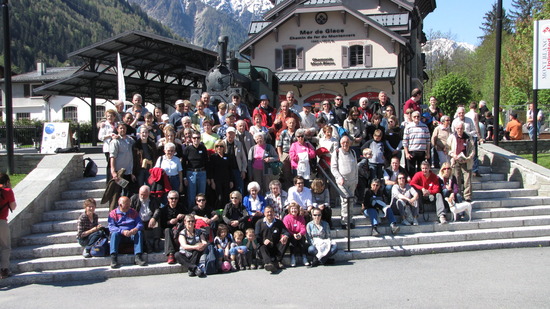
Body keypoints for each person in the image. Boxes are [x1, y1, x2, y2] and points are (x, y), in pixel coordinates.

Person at [108, 196, 147, 268]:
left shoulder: (133, 212)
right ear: (120, 205)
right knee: (114, 234)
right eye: (126, 205)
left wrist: (134, 229)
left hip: (131, 234)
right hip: (120, 235)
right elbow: (111, 227)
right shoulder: (113, 213)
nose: (129, 206)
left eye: (129, 204)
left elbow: (140, 224)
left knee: (139, 233)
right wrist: (122, 231)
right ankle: (113, 258)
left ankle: (138, 256)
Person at [330, 136, 358, 229]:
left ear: (350, 143)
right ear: (340, 143)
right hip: (342, 181)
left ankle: (350, 220)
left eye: (347, 142)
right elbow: (333, 168)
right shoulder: (336, 153)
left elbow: (355, 167)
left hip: (352, 181)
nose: (345, 144)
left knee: (351, 201)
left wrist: (356, 179)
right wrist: (339, 177)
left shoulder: (353, 152)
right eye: (343, 143)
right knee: (346, 200)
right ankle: (345, 221)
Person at [255, 206, 290, 272]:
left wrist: (285, 236)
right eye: (267, 212)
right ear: (264, 213)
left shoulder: (278, 222)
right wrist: (263, 241)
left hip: (276, 247)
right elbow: (257, 235)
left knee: (286, 240)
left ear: (274, 212)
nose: (269, 213)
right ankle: (268, 263)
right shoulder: (259, 222)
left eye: (271, 211)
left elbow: (286, 232)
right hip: (265, 246)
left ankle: (278, 261)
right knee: (262, 246)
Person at [447, 121, 474, 202]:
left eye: (461, 128)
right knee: (457, 179)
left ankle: (467, 196)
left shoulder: (468, 137)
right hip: (456, 160)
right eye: (458, 128)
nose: (459, 130)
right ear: (455, 129)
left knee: (467, 179)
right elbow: (448, 148)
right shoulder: (452, 137)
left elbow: (472, 149)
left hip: (466, 160)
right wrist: (453, 155)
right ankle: (457, 194)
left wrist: (469, 157)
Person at [130, 186, 161, 253]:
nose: (142, 196)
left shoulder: (153, 200)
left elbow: (157, 210)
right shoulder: (134, 198)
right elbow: (130, 211)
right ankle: (147, 244)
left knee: (157, 221)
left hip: (149, 220)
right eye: (141, 194)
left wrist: (153, 218)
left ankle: (156, 241)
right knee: (139, 226)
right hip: (139, 221)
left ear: (149, 194)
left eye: (145, 195)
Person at [159, 190, 186, 264]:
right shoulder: (164, 209)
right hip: (169, 229)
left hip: (180, 228)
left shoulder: (181, 206)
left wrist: (183, 216)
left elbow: (189, 216)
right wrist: (169, 222)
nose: (174, 200)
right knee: (167, 230)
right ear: (168, 199)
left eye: (176, 198)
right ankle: (170, 254)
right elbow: (162, 224)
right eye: (172, 198)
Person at [110, 122, 136, 201]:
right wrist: (113, 171)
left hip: (128, 172)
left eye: (124, 128)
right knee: (120, 193)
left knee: (128, 192)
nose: (122, 130)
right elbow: (112, 157)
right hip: (120, 173)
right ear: (117, 129)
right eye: (120, 128)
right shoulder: (115, 142)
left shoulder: (130, 140)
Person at [182, 131, 209, 207]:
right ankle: (192, 213)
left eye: (198, 138)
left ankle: (201, 212)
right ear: (191, 139)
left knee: (202, 195)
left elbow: (207, 162)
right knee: (191, 195)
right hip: (191, 173)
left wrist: (208, 177)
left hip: (202, 172)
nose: (196, 139)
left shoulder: (203, 148)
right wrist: (184, 178)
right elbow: (183, 164)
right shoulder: (187, 149)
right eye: (194, 138)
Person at [403, 110, 431, 177]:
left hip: (422, 151)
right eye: (414, 116)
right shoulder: (408, 127)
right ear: (412, 117)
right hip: (411, 151)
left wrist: (427, 152)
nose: (416, 118)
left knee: (421, 170)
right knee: (411, 169)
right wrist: (406, 153)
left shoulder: (425, 127)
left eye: (418, 116)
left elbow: (428, 141)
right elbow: (405, 141)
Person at [208, 140, 234, 209]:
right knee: (219, 198)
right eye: (217, 146)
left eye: (221, 146)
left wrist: (231, 181)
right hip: (217, 180)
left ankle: (225, 213)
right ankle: (218, 213)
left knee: (226, 197)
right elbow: (211, 170)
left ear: (224, 147)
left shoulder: (227, 156)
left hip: (226, 180)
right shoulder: (213, 157)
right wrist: (212, 181)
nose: (219, 148)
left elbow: (230, 169)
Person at [221, 127, 247, 194]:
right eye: (229, 133)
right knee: (227, 189)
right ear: (226, 134)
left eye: (232, 133)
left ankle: (240, 204)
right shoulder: (222, 143)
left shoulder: (239, 144)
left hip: (237, 169)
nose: (231, 135)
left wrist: (243, 170)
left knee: (240, 189)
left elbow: (243, 158)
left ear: (235, 134)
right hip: (226, 170)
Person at [283, 202, 309, 267]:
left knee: (302, 239)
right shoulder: (286, 218)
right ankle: (292, 256)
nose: (294, 210)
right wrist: (293, 234)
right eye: (292, 209)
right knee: (293, 240)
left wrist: (300, 234)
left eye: (295, 209)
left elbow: (303, 228)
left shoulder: (301, 218)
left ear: (298, 210)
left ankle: (304, 256)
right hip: (290, 235)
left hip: (299, 234)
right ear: (289, 210)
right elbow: (286, 229)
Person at [0, 173, 15, 279]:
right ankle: (4, 270)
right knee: (5, 247)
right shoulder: (7, 191)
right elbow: (13, 207)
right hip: (1, 222)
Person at [98, 109, 118, 183]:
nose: (110, 118)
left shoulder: (117, 124)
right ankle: (109, 182)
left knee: (115, 165)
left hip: (116, 148)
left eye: (111, 116)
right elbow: (100, 137)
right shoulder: (104, 125)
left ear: (114, 117)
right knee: (110, 165)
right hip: (108, 148)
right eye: (108, 116)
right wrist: (109, 135)